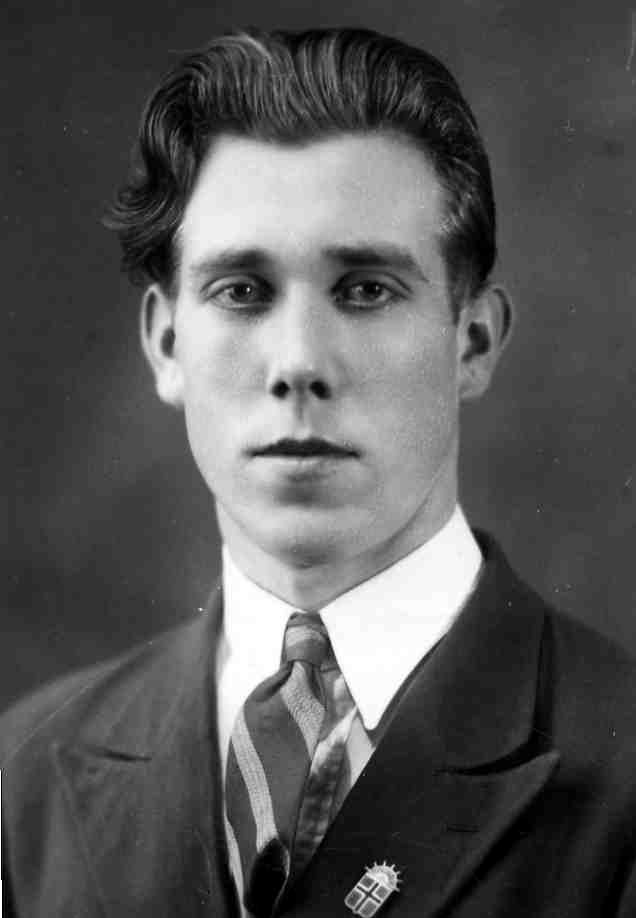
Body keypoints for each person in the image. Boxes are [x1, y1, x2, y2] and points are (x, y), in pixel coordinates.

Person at [2, 27, 636, 918]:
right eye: (243, 291)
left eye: (366, 289)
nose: (299, 361)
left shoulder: (620, 765)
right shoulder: (24, 774)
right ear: (167, 343)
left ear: (473, 341)